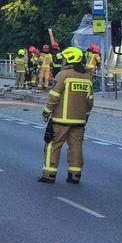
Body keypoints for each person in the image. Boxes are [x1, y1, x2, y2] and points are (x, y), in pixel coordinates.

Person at [39, 47, 93, 184]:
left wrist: (46, 111)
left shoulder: (63, 75)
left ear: (69, 59)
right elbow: (90, 101)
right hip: (79, 121)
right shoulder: (87, 77)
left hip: (61, 120)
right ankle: (75, 175)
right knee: (76, 147)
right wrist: (85, 117)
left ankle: (49, 175)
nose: (62, 61)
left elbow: (54, 96)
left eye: (64, 58)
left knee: (52, 145)